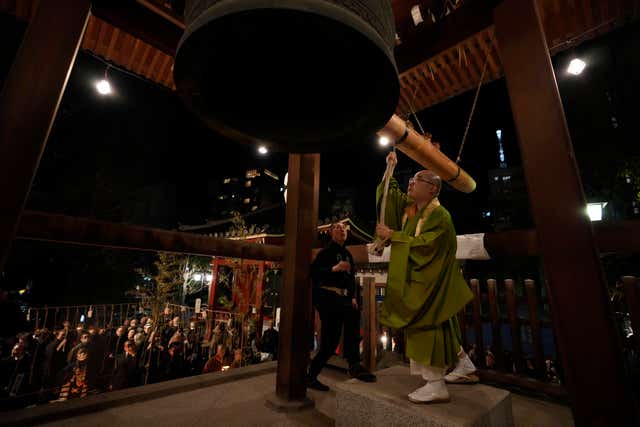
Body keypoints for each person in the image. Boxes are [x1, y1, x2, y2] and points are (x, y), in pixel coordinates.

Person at [375, 151, 476, 404]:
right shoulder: (412, 212)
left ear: (432, 189)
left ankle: (435, 384)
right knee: (440, 323)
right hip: (421, 281)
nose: (410, 183)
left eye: (416, 180)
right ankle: (463, 364)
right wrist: (390, 169)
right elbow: (390, 198)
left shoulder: (439, 216)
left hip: (429, 281)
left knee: (427, 325)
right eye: (410, 180)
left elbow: (425, 247)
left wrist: (393, 236)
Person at [306, 222, 376, 391]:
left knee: (348, 321)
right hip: (328, 298)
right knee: (333, 339)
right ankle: (315, 375)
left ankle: (352, 364)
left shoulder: (348, 254)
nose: (342, 230)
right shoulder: (325, 253)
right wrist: (334, 268)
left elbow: (351, 279)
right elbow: (314, 273)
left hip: (344, 299)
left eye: (344, 228)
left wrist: (353, 296)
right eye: (337, 228)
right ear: (331, 233)